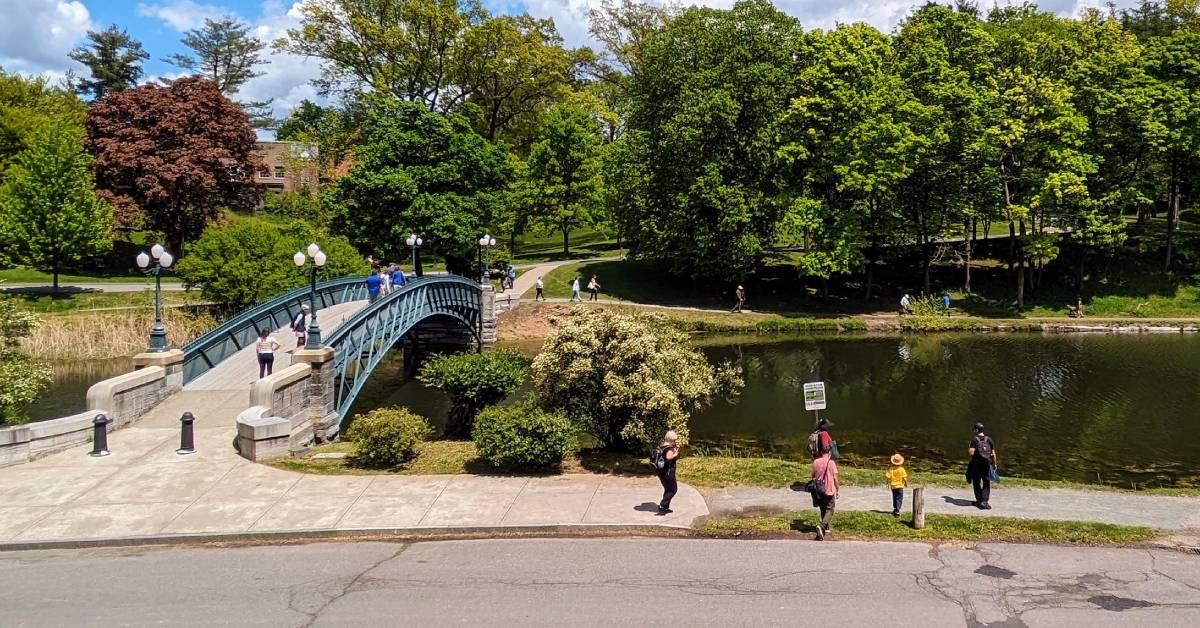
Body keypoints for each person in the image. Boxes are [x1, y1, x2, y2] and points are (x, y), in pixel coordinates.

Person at [967, 422, 997, 510]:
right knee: (986, 482)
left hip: (977, 465)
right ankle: (985, 502)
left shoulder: (974, 440)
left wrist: (970, 446)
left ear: (976, 430)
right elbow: (993, 453)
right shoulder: (989, 439)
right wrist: (994, 464)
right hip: (987, 464)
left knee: (976, 482)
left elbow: (971, 453)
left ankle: (979, 501)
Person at [811, 450, 839, 540]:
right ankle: (822, 526)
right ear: (829, 453)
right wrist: (837, 489)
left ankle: (825, 528)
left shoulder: (816, 462)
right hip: (829, 489)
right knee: (830, 509)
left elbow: (813, 476)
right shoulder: (831, 463)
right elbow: (835, 478)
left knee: (822, 507)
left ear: (821, 453)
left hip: (819, 489)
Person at [654, 431, 680, 515]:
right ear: (672, 439)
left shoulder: (661, 446)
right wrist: (675, 454)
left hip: (661, 472)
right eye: (674, 440)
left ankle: (665, 507)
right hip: (668, 472)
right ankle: (662, 506)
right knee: (673, 489)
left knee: (668, 489)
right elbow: (669, 457)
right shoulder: (669, 448)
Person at [886, 453, 908, 517]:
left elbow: (888, 477)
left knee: (894, 497)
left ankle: (895, 508)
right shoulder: (902, 469)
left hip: (893, 486)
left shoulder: (891, 469)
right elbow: (904, 478)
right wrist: (906, 483)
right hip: (900, 486)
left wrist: (887, 483)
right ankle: (897, 510)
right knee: (899, 498)